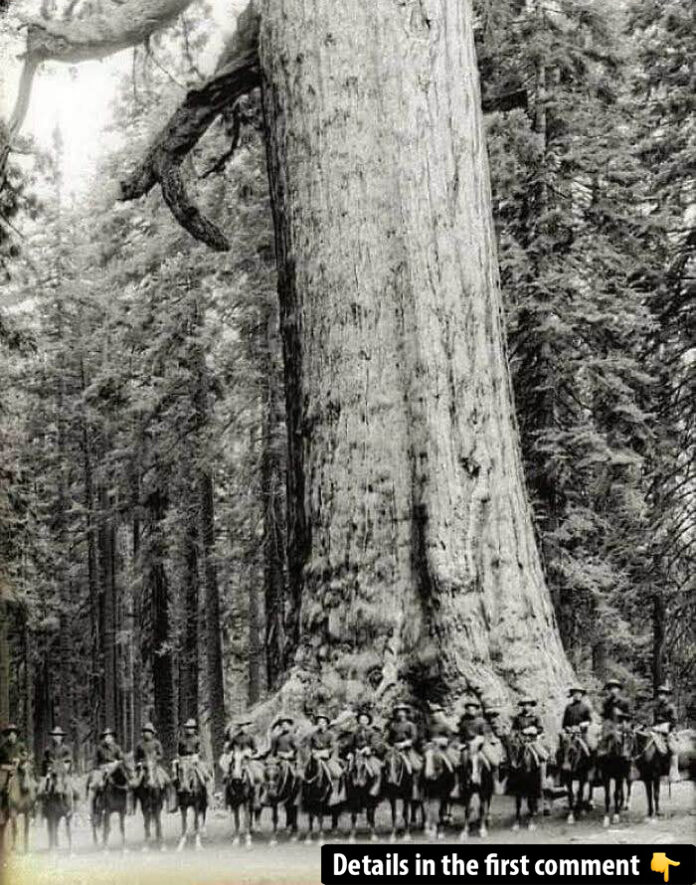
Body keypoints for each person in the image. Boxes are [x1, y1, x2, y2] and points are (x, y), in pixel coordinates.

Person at [306, 711, 344, 804]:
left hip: (327, 757)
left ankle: (335, 794)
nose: (321, 724)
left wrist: (325, 752)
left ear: (326, 724)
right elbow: (309, 746)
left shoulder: (331, 735)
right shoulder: (313, 735)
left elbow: (333, 747)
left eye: (323, 722)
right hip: (315, 757)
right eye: (319, 722)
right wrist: (313, 752)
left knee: (337, 773)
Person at [344, 710, 382, 796]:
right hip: (356, 754)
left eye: (365, 720)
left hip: (368, 754)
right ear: (358, 721)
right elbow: (351, 744)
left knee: (377, 771)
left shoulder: (372, 732)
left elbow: (375, 743)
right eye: (361, 720)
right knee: (346, 772)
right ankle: (348, 793)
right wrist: (351, 751)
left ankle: (375, 790)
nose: (363, 722)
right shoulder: (355, 732)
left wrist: (369, 748)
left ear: (368, 721)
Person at [559, 685, 595, 765]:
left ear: (582, 695)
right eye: (575, 693)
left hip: (582, 733)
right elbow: (564, 723)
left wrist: (583, 724)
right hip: (569, 733)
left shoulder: (585, 707)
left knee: (590, 747)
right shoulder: (568, 707)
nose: (577, 695)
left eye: (579, 693)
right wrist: (568, 728)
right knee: (562, 747)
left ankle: (590, 768)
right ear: (573, 695)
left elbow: (589, 720)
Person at [175, 718, 213, 792]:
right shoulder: (181, 739)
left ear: (194, 729)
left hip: (194, 758)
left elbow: (200, 750)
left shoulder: (197, 739)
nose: (189, 729)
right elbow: (179, 751)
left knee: (201, 770)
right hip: (184, 759)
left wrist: (196, 755)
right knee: (177, 767)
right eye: (188, 728)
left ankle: (205, 785)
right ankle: (178, 783)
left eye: (191, 728)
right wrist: (179, 756)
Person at [384, 702, 422, 776]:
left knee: (416, 766)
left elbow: (414, 737)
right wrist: (389, 745)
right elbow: (388, 738)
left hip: (407, 748)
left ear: (406, 713)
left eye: (402, 711)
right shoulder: (393, 725)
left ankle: (415, 785)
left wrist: (405, 744)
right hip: (394, 748)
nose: (400, 713)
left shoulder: (410, 725)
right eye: (398, 711)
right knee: (384, 763)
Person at [652, 684, 679, 781]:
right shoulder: (656, 708)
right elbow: (654, 721)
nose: (660, 696)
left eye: (662, 694)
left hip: (668, 729)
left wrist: (664, 728)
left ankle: (675, 773)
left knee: (672, 748)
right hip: (656, 729)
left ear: (667, 696)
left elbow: (674, 721)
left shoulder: (671, 707)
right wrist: (653, 727)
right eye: (659, 694)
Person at [0, 724, 28, 816]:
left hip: (19, 768)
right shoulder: (3, 747)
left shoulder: (21, 746)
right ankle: (4, 804)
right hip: (7, 770)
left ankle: (27, 802)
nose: (11, 736)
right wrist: (5, 766)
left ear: (16, 735)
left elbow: (26, 756)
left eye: (13, 734)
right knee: (4, 784)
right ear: (7, 736)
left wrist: (19, 759)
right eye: (9, 734)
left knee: (26, 782)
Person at [599, 679, 632, 756]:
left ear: (619, 690)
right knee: (601, 735)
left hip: (621, 723)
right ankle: (601, 750)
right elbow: (604, 715)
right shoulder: (606, 702)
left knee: (627, 735)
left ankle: (626, 751)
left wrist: (621, 714)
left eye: (614, 688)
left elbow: (629, 716)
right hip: (609, 724)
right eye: (610, 689)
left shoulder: (624, 702)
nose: (612, 690)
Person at [134, 722, 169, 788]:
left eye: (149, 731)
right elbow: (136, 756)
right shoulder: (139, 744)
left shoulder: (156, 743)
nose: (147, 733)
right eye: (145, 731)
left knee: (165, 779)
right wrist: (138, 763)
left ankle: (166, 795)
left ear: (152, 733)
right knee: (135, 783)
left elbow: (161, 755)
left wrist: (155, 759)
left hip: (154, 765)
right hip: (143, 766)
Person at [41, 726, 73, 794]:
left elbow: (69, 759)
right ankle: (44, 794)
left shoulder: (66, 749)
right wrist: (48, 765)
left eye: (59, 736)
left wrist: (65, 765)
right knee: (47, 780)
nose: (57, 737)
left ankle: (72, 800)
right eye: (55, 736)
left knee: (69, 784)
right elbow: (45, 760)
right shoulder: (48, 749)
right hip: (52, 769)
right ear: (53, 737)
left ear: (62, 737)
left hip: (63, 769)